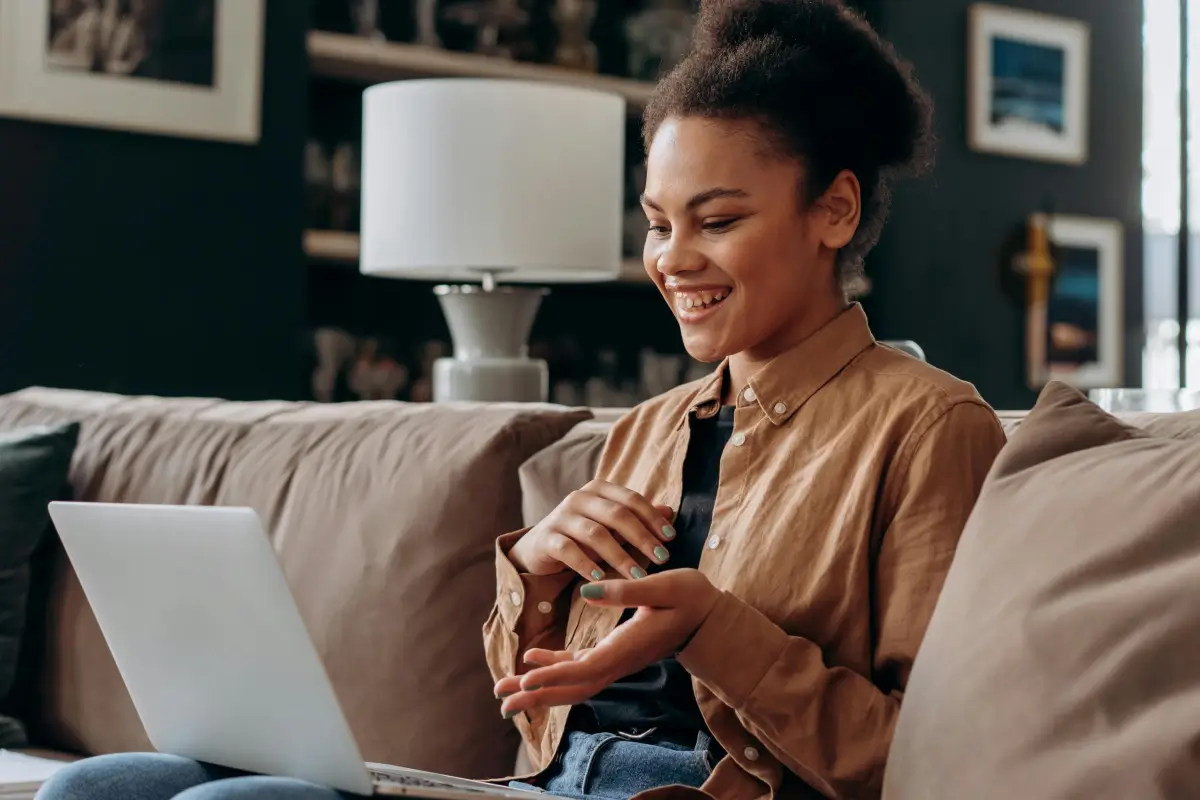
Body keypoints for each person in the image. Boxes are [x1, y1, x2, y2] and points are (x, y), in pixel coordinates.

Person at [36, 1, 1006, 798]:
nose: (672, 259)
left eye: (718, 219)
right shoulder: (649, 429)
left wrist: (717, 628)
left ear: (834, 210)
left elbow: (927, 763)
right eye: (659, 222)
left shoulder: (925, 427)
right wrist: (536, 577)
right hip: (549, 787)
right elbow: (535, 716)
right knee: (96, 787)